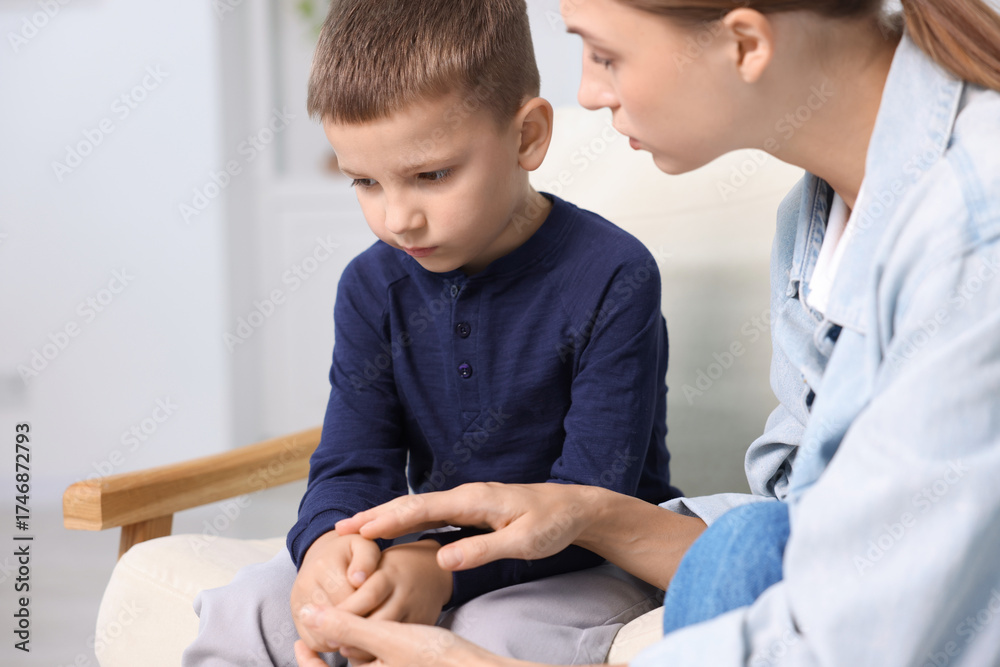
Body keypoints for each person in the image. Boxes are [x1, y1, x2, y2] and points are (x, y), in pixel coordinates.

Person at [293, 0, 1000, 665]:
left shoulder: (972, 240)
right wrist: (586, 513)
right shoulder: (816, 221)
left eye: (603, 55)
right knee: (742, 551)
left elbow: (861, 633)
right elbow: (810, 524)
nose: (589, 95)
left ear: (745, 43)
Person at [182, 1, 685, 665]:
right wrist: (330, 547)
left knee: (492, 635)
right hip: (429, 546)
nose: (397, 218)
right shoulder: (371, 288)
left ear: (527, 137)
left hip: (586, 560)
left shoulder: (613, 274)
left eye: (431, 175)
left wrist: (441, 568)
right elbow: (353, 462)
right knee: (247, 605)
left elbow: (595, 499)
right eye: (364, 181)